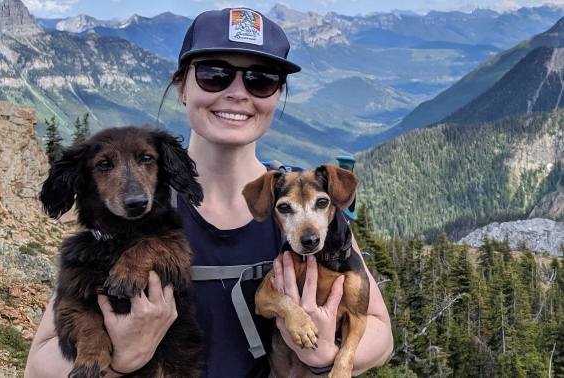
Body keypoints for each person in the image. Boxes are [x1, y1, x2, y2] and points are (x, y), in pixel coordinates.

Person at [25, 7, 393, 378]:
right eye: (214, 74)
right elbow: (38, 365)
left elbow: (379, 331)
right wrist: (122, 359)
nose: (237, 93)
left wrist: (325, 353)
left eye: (260, 79)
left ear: (277, 94)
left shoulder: (298, 204)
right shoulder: (138, 207)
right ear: (182, 86)